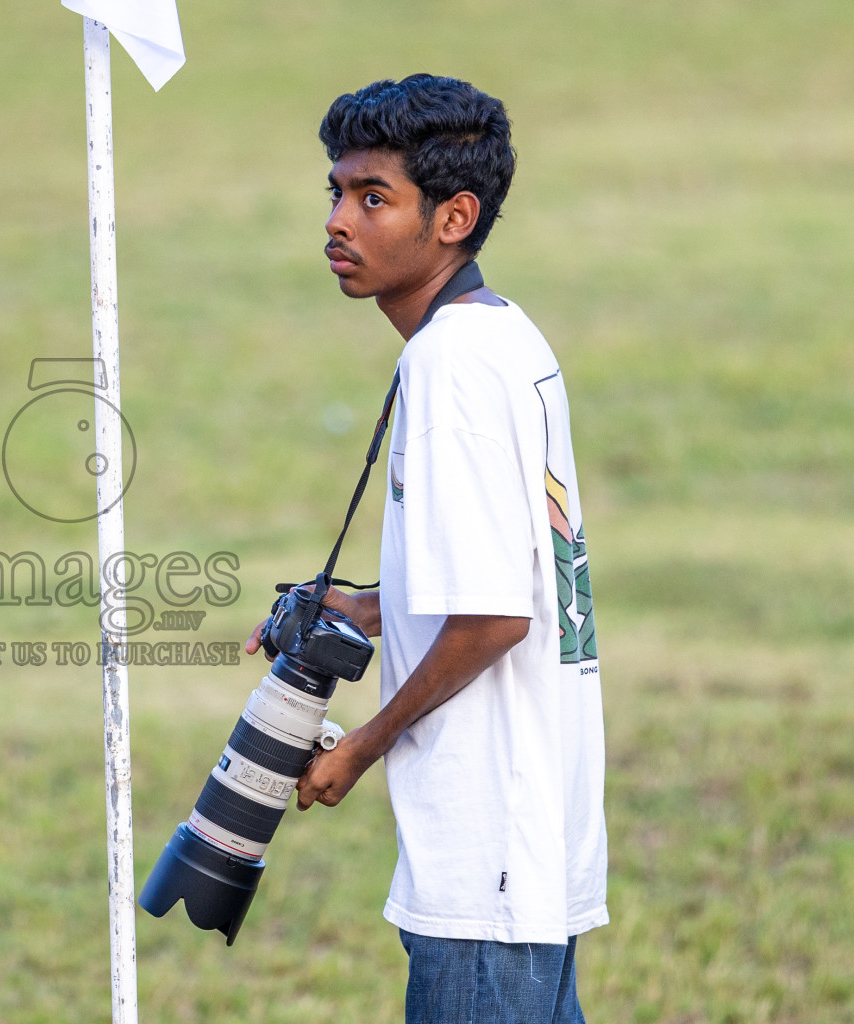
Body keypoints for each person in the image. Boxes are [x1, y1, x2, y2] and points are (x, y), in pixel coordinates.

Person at [243, 75, 607, 1024]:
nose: (338, 220)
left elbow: (494, 616)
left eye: (373, 198)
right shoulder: (501, 335)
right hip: (526, 838)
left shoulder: (449, 366)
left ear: (454, 217)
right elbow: (506, 570)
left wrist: (360, 747)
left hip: (487, 850)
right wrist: (366, 608)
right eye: (335, 192)